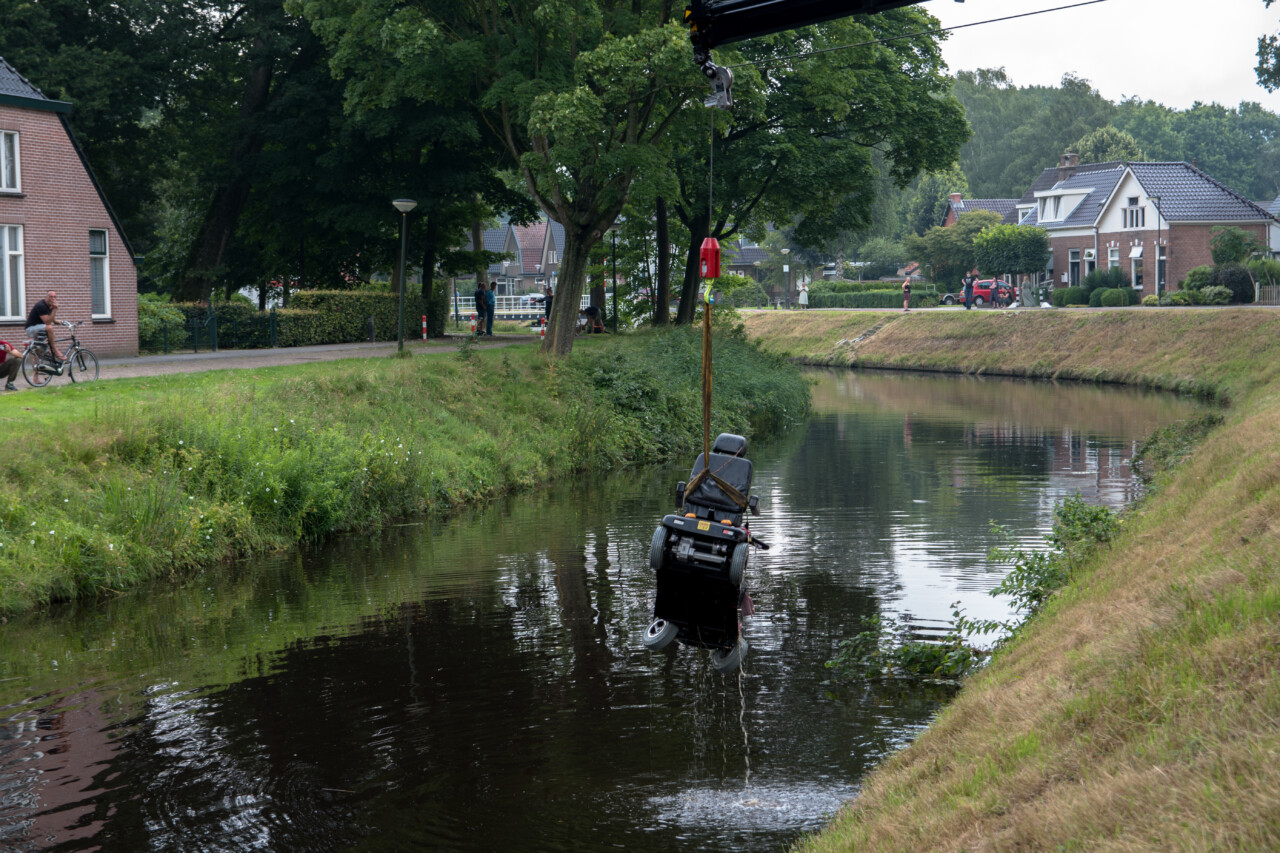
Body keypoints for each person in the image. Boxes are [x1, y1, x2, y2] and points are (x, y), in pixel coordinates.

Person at [26, 290, 64, 361]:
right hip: (31, 329)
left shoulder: (50, 306)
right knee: (49, 328)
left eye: (54, 297)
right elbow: (47, 322)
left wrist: (55, 321)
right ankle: (55, 350)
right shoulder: (41, 306)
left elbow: (48, 317)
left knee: (38, 350)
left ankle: (36, 370)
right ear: (46, 297)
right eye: (51, 297)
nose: (53, 298)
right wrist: (55, 309)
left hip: (39, 329)